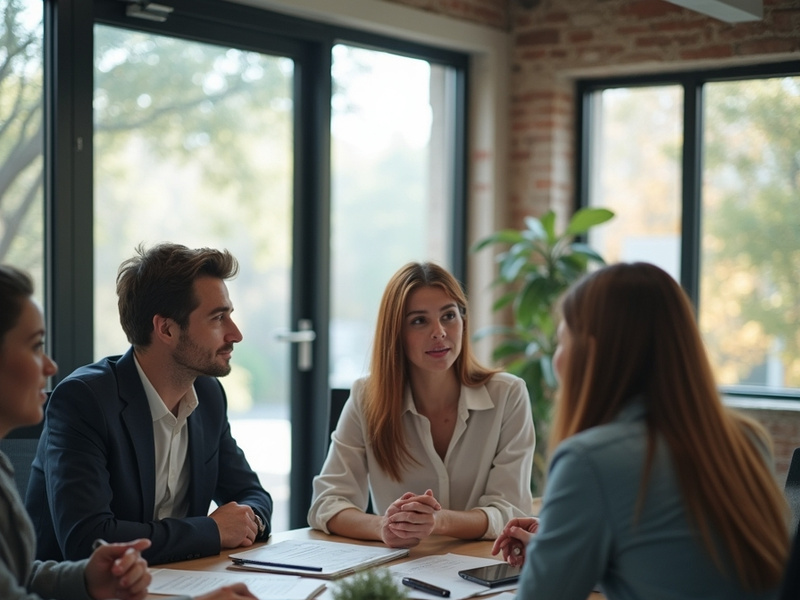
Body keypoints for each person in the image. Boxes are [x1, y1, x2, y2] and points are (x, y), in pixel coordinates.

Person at [492, 262, 790, 600]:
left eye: (562, 341)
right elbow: (675, 568)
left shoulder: (589, 460)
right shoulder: (746, 440)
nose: (556, 359)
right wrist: (560, 547)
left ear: (590, 354)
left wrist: (553, 560)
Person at [26, 244, 273, 566]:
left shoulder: (208, 395)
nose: (235, 334)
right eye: (218, 318)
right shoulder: (85, 401)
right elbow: (87, 540)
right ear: (167, 329)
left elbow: (254, 496)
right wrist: (211, 530)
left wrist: (245, 520)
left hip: (182, 583)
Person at [308, 261, 535, 548]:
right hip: (403, 568)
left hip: (483, 564)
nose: (439, 332)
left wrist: (437, 521)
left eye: (449, 316)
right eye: (419, 321)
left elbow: (510, 511)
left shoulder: (509, 395)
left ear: (463, 321)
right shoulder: (367, 398)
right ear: (396, 334)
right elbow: (326, 504)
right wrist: (385, 527)